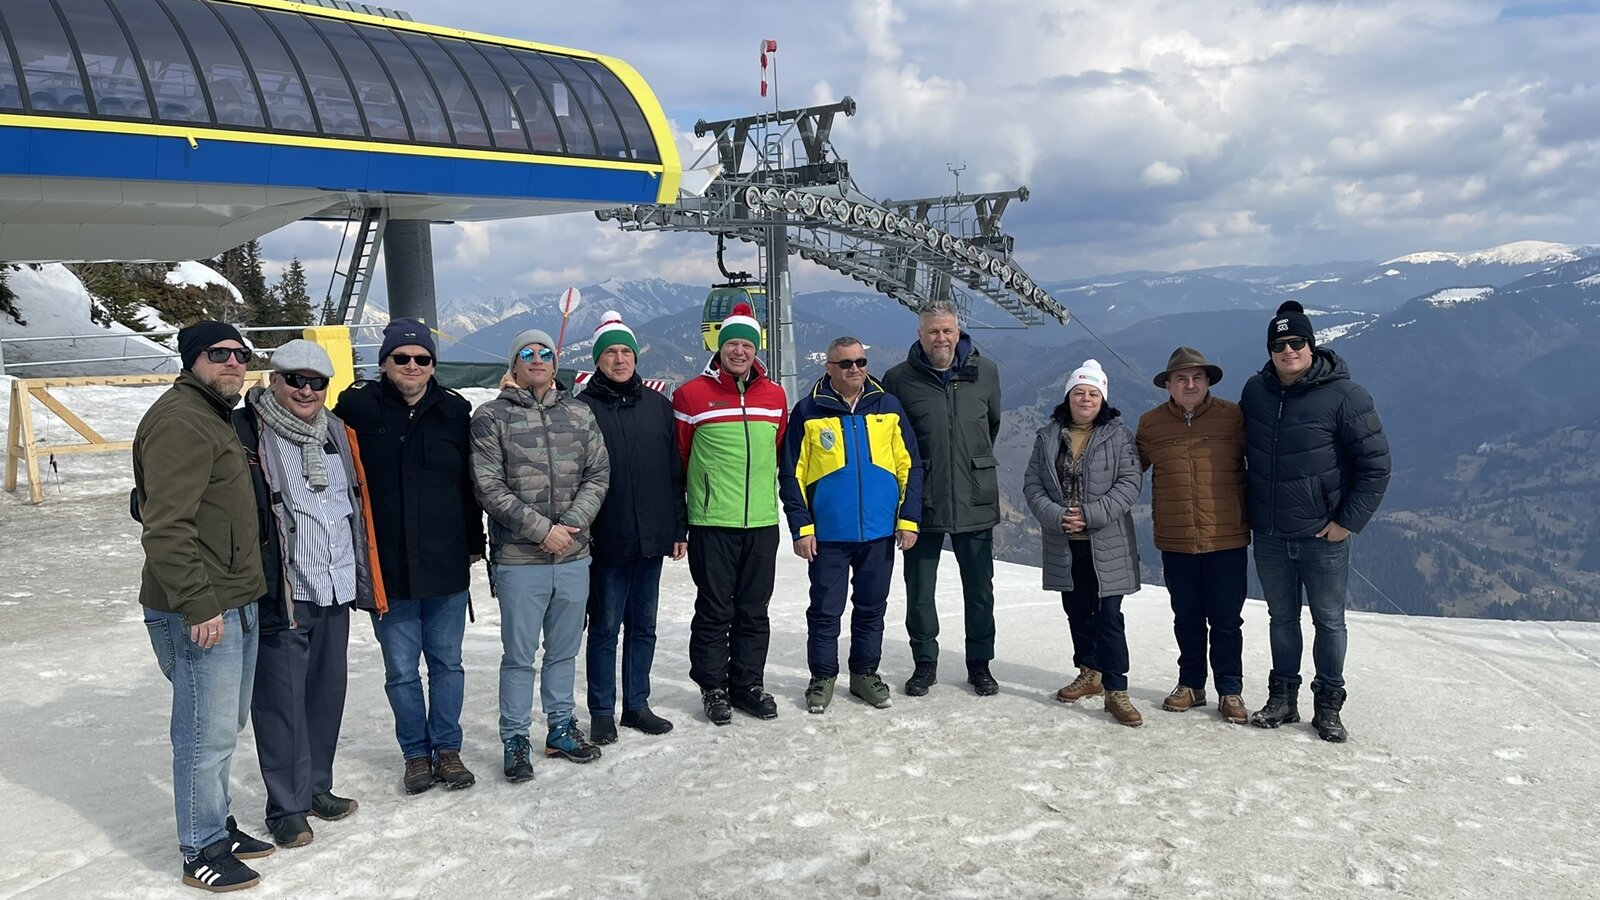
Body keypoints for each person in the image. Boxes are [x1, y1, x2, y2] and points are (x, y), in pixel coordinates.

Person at [133, 321, 272, 892]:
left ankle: (218, 824)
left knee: (223, 727)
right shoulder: (181, 420)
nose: (234, 362)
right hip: (200, 607)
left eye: (241, 354)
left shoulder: (212, 415)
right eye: (219, 353)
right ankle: (201, 848)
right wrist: (196, 602)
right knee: (203, 733)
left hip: (233, 597)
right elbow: (165, 525)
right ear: (192, 360)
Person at [234, 340, 384, 847]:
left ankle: (317, 786)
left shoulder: (336, 431)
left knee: (325, 693)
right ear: (273, 380)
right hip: (285, 589)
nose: (306, 390)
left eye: (316, 382)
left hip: (334, 586)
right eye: (295, 379)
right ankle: (287, 807)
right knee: (281, 702)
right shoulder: (246, 431)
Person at [333, 318, 484, 794]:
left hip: (445, 562)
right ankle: (416, 754)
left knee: (447, 664)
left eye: (422, 358)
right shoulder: (356, 407)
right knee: (401, 671)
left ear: (434, 365)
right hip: (388, 566)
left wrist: (475, 543)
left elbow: (468, 485)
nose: (412, 366)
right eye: (402, 358)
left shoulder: (455, 412)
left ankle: (448, 749)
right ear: (384, 364)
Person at [1240, 301, 1391, 743]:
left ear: (1311, 345)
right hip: (1270, 533)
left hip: (1323, 535)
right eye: (1279, 345)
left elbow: (1376, 466)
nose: (1288, 351)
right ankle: (1283, 700)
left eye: (1296, 342)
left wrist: (1348, 521)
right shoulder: (1256, 392)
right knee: (1281, 619)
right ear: (1269, 351)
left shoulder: (1346, 396)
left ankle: (1328, 708)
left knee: (1329, 621)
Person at [473, 327, 610, 781]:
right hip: (520, 559)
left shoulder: (579, 413)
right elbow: (488, 486)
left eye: (545, 353)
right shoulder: (491, 417)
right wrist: (542, 531)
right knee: (519, 655)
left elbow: (598, 473)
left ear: (555, 362)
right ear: (514, 364)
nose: (537, 359)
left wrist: (569, 526)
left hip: (573, 554)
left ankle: (560, 727)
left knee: (563, 650)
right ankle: (515, 737)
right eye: (527, 353)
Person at [779, 336, 923, 714]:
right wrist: (802, 527)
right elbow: (791, 474)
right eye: (845, 363)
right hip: (829, 535)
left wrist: (908, 519)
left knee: (871, 608)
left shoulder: (888, 406)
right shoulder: (808, 410)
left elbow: (910, 465)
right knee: (825, 611)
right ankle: (822, 677)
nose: (855, 369)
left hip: (879, 532)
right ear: (829, 367)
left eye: (861, 361)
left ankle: (864, 674)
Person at [671, 303, 788, 725]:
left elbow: (777, 449)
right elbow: (680, 457)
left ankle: (747, 684)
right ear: (719, 348)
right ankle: (713, 687)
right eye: (732, 344)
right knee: (715, 609)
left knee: (754, 609)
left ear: (756, 350)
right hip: (712, 522)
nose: (739, 351)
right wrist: (686, 514)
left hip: (761, 521)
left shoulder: (774, 396)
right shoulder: (690, 395)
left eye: (747, 345)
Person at [881, 300, 1002, 697]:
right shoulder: (898, 379)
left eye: (947, 330)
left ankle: (980, 664)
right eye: (933, 331)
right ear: (920, 335)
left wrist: (970, 462)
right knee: (919, 590)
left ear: (958, 332)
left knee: (980, 590)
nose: (941, 338)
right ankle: (925, 663)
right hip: (922, 499)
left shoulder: (985, 372)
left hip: (974, 495)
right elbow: (893, 439)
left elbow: (991, 425)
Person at [576, 311, 686, 743]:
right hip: (607, 537)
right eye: (611, 353)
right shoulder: (582, 409)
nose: (619, 359)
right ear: (598, 359)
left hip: (652, 536)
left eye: (626, 352)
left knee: (644, 627)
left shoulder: (658, 407)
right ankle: (602, 710)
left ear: (636, 357)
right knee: (605, 628)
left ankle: (637, 704)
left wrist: (677, 528)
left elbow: (673, 473)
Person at [1022, 360, 1144, 727]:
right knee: (1076, 610)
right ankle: (1090, 672)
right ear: (1068, 396)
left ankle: (1116, 688)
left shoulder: (1118, 436)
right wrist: (1057, 515)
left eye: (1093, 393)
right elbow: (1033, 484)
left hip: (1107, 542)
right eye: (1079, 392)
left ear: (1102, 398)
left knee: (1108, 616)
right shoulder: (1048, 436)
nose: (1086, 399)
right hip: (1064, 541)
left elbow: (1129, 484)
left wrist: (1089, 515)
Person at [1135, 347, 1250, 724]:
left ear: (1208, 382)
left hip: (1226, 536)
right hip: (1176, 538)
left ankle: (1230, 690)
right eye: (1181, 378)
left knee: (1227, 620)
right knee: (1186, 618)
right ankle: (1191, 684)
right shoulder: (1150, 424)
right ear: (1167, 385)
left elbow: (1265, 462)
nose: (1189, 384)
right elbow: (1127, 471)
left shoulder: (1232, 417)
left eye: (1197, 377)